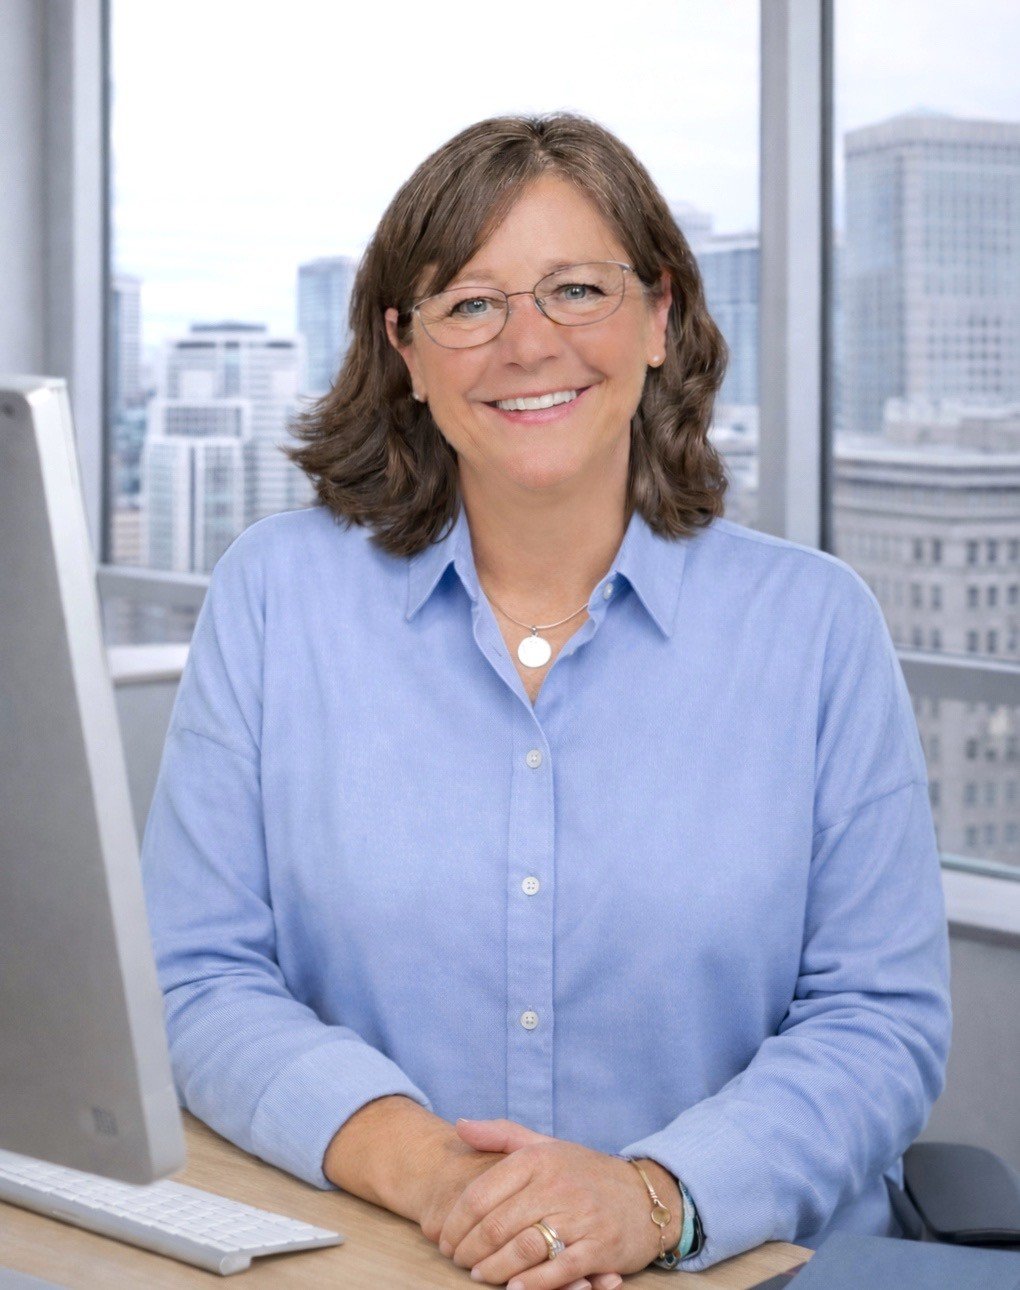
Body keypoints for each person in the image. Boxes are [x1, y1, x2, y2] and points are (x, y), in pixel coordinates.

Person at [141, 113, 952, 1290]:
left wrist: (652, 1197)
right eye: (470, 305)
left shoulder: (814, 629)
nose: (529, 344)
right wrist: (436, 1174)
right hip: (378, 1257)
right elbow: (197, 975)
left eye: (576, 289)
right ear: (405, 351)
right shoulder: (277, 598)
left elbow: (879, 1021)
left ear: (662, 317)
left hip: (737, 1270)